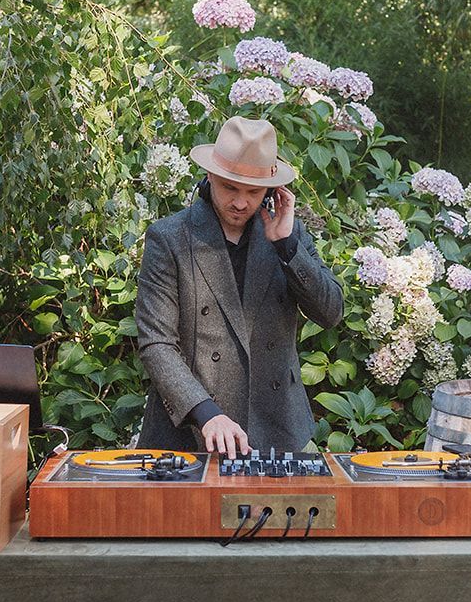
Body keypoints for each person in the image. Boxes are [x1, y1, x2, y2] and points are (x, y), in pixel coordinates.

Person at [135, 115, 343, 456]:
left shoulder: (290, 234)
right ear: (210, 175)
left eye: (253, 192)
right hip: (190, 431)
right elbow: (157, 342)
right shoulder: (170, 238)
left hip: (277, 429)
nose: (241, 202)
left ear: (273, 191)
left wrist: (287, 248)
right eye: (230, 187)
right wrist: (206, 414)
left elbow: (331, 313)